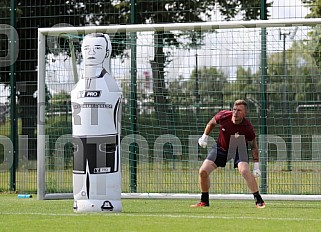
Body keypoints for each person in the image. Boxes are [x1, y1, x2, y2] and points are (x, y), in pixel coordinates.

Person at [191, 99, 265, 208]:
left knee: (244, 170)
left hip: (239, 149)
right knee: (203, 171)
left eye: (239, 110)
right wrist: (204, 137)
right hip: (221, 148)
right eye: (234, 109)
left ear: (245, 113)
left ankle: (258, 200)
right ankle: (204, 201)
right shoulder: (224, 115)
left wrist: (256, 165)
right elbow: (211, 123)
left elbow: (253, 146)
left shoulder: (247, 127)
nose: (235, 113)